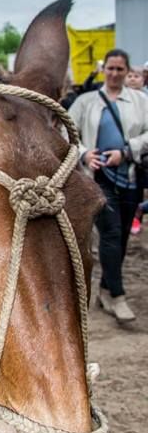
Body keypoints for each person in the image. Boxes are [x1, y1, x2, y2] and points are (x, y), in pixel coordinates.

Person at [69, 48, 148, 322]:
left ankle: (104, 289)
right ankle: (117, 295)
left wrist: (126, 151)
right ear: (104, 70)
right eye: (110, 68)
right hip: (97, 179)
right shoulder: (86, 101)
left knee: (123, 234)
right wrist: (84, 153)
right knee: (111, 232)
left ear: (127, 71)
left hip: (129, 176)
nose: (114, 74)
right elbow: (65, 130)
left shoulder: (140, 101)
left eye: (119, 69)